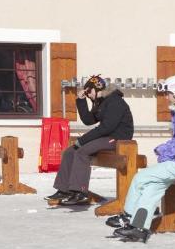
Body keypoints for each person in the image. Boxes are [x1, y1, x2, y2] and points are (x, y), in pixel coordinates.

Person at [111, 74, 175, 243]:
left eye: (168, 93)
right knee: (152, 188)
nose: (166, 96)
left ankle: (128, 216)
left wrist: (163, 150)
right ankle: (139, 228)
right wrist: (166, 151)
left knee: (141, 177)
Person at [46, 74, 134, 206]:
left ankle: (80, 191)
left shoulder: (115, 101)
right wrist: (81, 101)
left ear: (97, 89)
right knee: (70, 151)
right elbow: (88, 120)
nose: (88, 95)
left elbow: (106, 127)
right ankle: (64, 190)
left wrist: (83, 140)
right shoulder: (102, 102)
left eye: (89, 92)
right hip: (106, 136)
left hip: (118, 138)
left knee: (82, 151)